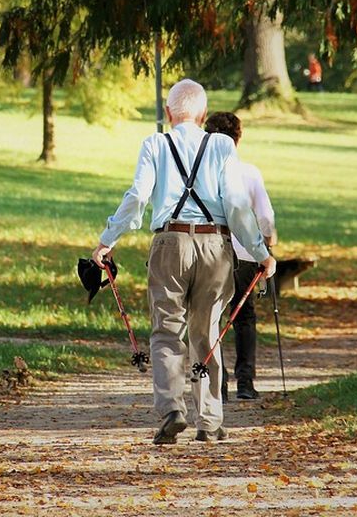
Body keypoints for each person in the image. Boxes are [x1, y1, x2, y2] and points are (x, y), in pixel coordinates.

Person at [91, 79, 276, 445]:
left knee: (166, 330)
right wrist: (261, 253)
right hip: (214, 245)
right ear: (203, 115)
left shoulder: (155, 144)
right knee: (207, 332)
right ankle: (210, 420)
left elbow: (138, 197)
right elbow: (238, 207)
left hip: (169, 242)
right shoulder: (222, 146)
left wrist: (106, 241)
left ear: (168, 113)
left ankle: (172, 409)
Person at [204, 112, 276, 401]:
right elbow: (265, 215)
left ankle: (217, 385)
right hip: (246, 253)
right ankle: (245, 382)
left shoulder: (203, 174)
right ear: (238, 138)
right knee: (244, 316)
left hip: (213, 251)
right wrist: (268, 243)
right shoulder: (249, 172)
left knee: (213, 316)